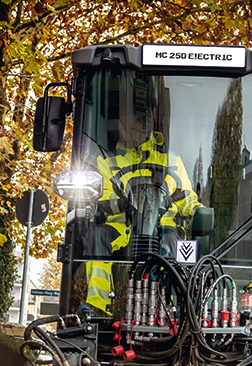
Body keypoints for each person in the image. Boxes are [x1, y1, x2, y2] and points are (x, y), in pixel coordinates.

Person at [84, 111, 201, 314]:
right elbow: (101, 200)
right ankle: (97, 306)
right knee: (97, 236)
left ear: (146, 128)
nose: (126, 133)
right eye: (122, 128)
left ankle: (168, 308)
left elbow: (186, 196)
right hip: (123, 227)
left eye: (131, 128)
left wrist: (198, 210)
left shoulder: (172, 161)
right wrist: (122, 203)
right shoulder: (108, 162)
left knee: (174, 243)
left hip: (163, 227)